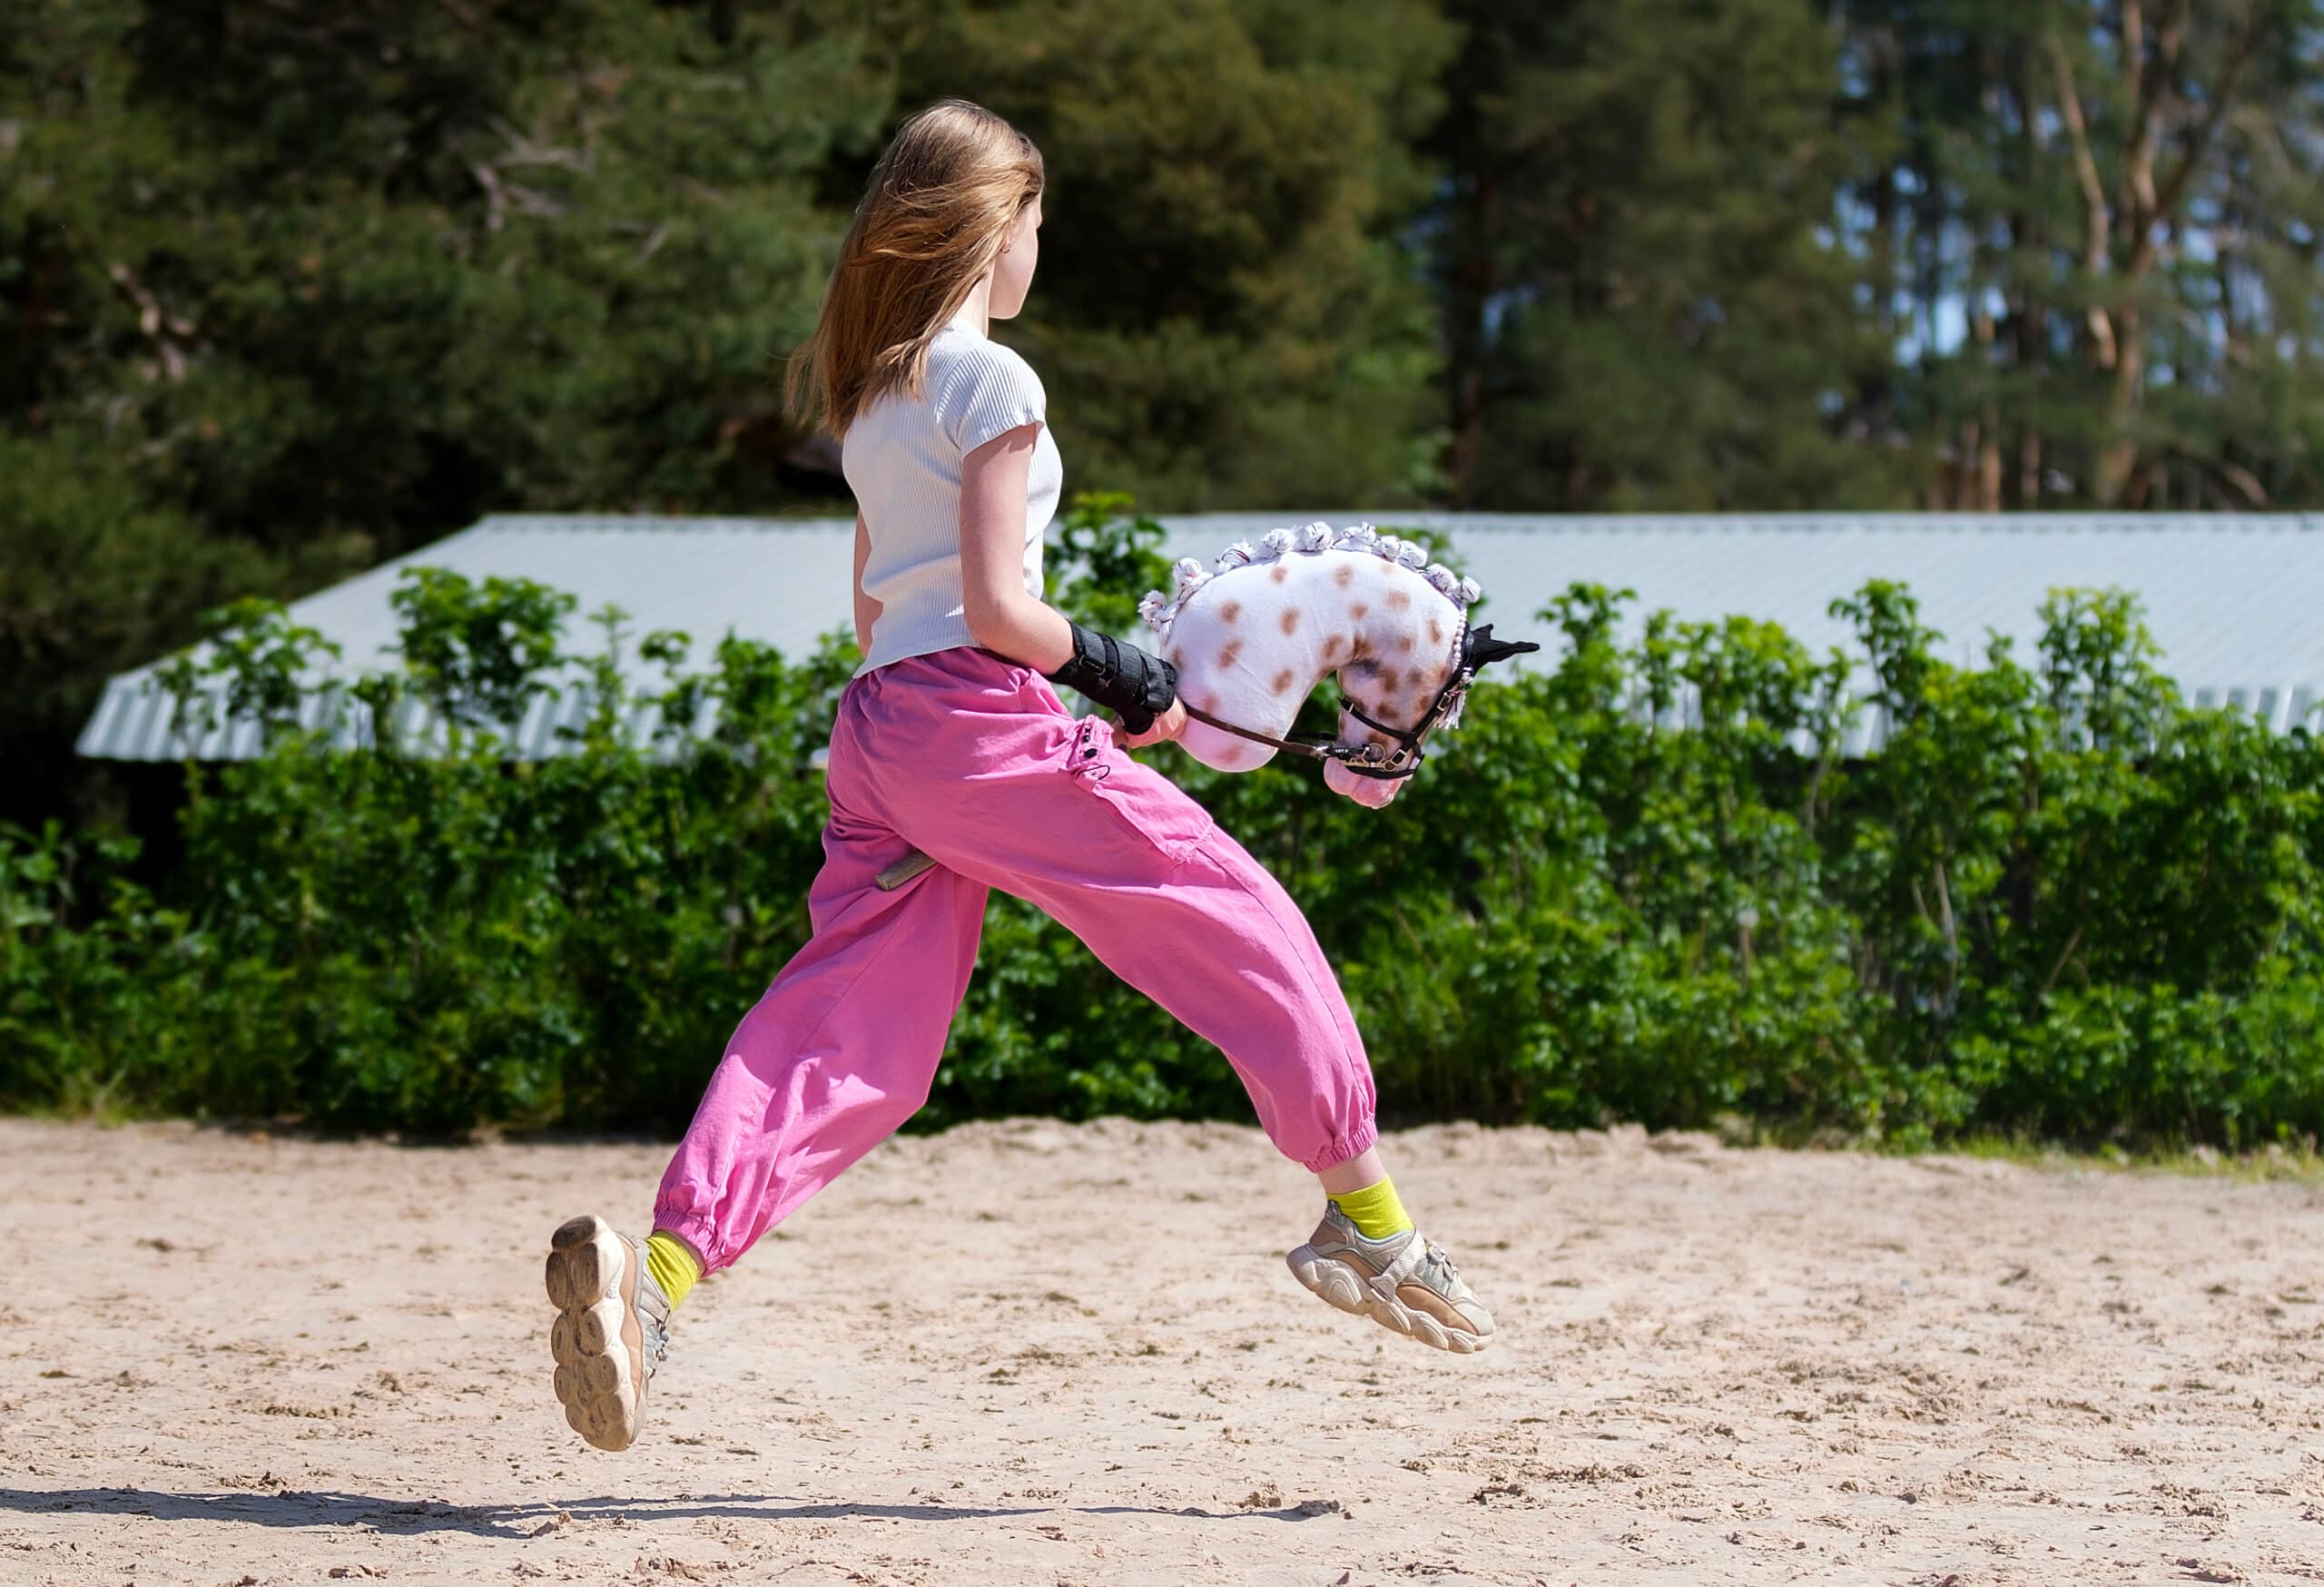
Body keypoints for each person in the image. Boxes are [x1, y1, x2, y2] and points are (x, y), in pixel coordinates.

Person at [542, 98, 1494, 1454]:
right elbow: (997, 608)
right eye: (1037, 224)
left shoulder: (874, 397)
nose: (1040, 250)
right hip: (972, 716)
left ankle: (663, 1279)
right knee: (1244, 925)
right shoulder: (996, 381)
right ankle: (1371, 1223)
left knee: (845, 1036)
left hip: (883, 733)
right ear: (997, 229)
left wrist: (1074, 717)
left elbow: (882, 615)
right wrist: (1115, 670)